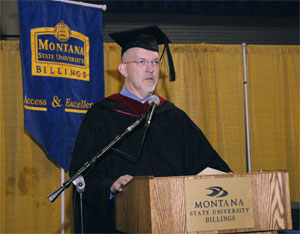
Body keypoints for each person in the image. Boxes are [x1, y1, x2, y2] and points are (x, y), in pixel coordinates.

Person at [69, 26, 231, 233]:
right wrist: (110, 185)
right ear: (123, 70)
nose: (150, 69)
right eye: (141, 62)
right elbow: (82, 175)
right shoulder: (101, 115)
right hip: (120, 225)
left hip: (174, 224)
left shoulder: (173, 116)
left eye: (155, 62)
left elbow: (209, 163)